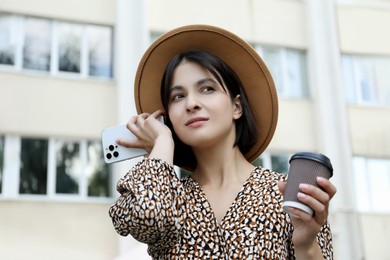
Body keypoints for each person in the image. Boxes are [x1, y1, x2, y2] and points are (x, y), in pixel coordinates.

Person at [109, 25, 336, 259]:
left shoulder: (285, 195)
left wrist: (306, 245)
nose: (191, 103)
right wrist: (163, 143)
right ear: (168, 117)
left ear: (236, 107)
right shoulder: (169, 196)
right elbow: (144, 219)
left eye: (207, 89)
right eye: (178, 96)